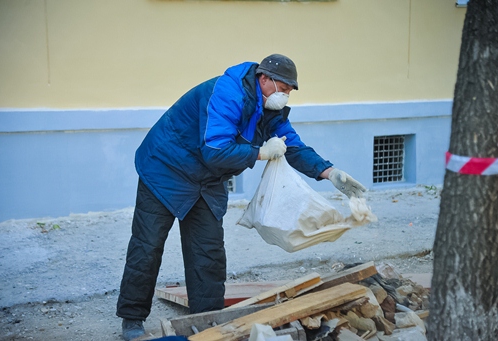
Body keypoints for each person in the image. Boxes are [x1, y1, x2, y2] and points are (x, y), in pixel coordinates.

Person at [116, 54, 366, 340]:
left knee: (207, 253)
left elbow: (292, 145)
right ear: (264, 79)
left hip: (207, 180)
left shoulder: (269, 108)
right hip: (165, 168)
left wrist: (330, 172)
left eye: (289, 92)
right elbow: (214, 149)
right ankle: (132, 318)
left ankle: (208, 320)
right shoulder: (227, 93)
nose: (285, 96)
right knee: (147, 246)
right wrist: (260, 153)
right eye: (283, 88)